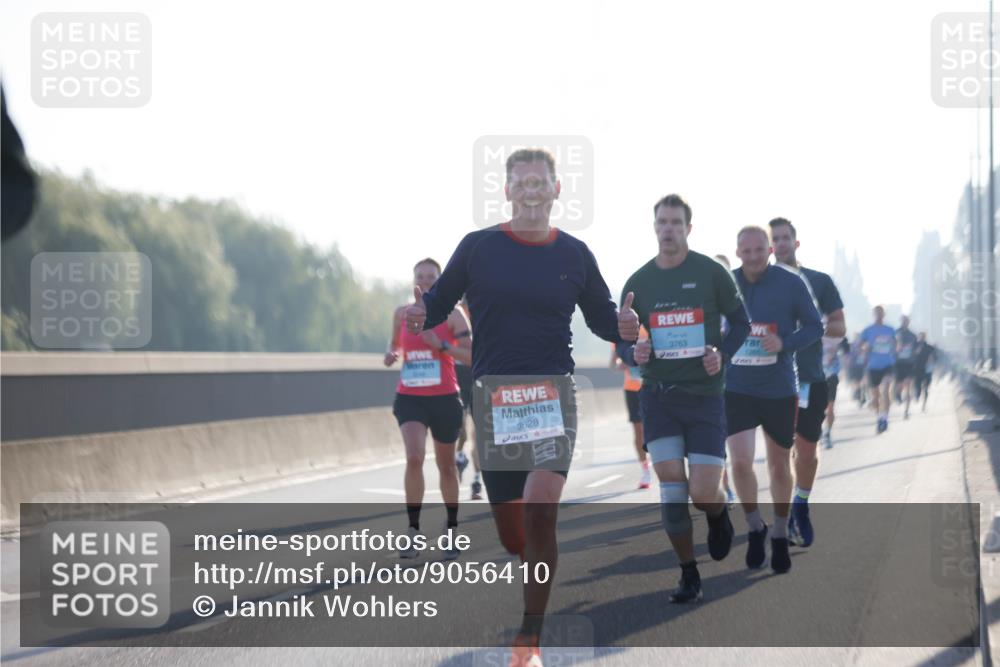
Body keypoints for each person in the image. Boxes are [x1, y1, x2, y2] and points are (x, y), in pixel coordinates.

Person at [405, 148, 623, 665]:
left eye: (539, 181)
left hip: (552, 396)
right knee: (513, 537)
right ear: (507, 191)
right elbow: (439, 301)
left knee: (542, 511)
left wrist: (626, 330)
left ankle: (530, 638)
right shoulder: (479, 248)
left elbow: (602, 316)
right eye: (520, 181)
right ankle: (530, 570)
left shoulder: (574, 253)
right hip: (496, 403)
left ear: (556, 190)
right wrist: (421, 312)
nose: (530, 188)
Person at [618, 194, 751, 602]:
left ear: (688, 229)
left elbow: (742, 324)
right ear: (654, 227)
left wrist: (722, 355)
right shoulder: (638, 282)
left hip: (705, 397)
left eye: (676, 222)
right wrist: (633, 352)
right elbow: (623, 341)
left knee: (702, 492)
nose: (668, 229)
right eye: (662, 222)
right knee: (672, 486)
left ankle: (717, 512)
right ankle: (688, 573)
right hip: (659, 397)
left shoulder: (712, 273)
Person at [725, 225, 822, 573]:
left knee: (780, 465)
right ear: (737, 252)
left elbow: (815, 326)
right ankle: (754, 525)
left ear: (769, 250)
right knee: (739, 463)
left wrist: (785, 344)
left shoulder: (790, 283)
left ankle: (780, 530)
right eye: (745, 251)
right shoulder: (726, 284)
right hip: (735, 386)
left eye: (758, 250)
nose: (752, 257)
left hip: (779, 387)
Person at [385, 258, 472, 560]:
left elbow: (472, 357)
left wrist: (441, 346)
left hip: (445, 397)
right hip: (410, 397)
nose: (425, 282)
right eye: (420, 277)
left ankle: (451, 529)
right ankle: (413, 532)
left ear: (440, 281)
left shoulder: (454, 315)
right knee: (413, 457)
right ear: (413, 280)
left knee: (446, 467)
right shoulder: (402, 313)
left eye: (431, 278)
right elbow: (396, 342)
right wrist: (392, 352)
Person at [769, 218, 846, 549]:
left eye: (786, 238)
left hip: (810, 378)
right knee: (779, 452)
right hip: (770, 381)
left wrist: (809, 324)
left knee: (807, 452)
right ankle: (783, 519)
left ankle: (801, 502)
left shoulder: (820, 281)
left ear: (796, 243)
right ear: (770, 246)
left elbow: (840, 328)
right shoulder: (756, 284)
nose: (781, 244)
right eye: (776, 239)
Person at [609, 327, 651, 489]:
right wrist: (622, 365)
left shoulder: (649, 327)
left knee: (656, 429)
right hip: (632, 388)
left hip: (651, 385)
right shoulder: (621, 332)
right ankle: (645, 470)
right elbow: (612, 364)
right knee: (638, 430)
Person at [713, 254, 737, 508]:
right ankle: (722, 485)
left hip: (737, 379)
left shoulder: (737, 303)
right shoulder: (703, 300)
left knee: (728, 439)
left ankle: (726, 484)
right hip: (710, 380)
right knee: (716, 437)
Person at [454, 296, 483, 500]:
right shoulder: (453, 315)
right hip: (457, 375)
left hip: (479, 376)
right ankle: (459, 457)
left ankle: (477, 479)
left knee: (479, 433)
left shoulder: (484, 313)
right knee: (461, 431)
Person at [860, 306, 896, 434]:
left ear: (884, 314)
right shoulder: (867, 330)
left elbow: (896, 345)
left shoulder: (890, 329)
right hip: (873, 366)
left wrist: (895, 347)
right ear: (874, 314)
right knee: (875, 397)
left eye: (881, 313)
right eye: (877, 313)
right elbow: (860, 345)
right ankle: (879, 416)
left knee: (886, 390)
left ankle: (884, 418)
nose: (879, 315)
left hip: (888, 364)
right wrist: (865, 347)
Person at [821, 337, 851, 449]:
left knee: (830, 407)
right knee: (816, 408)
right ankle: (818, 429)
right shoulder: (811, 328)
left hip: (831, 375)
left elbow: (847, 350)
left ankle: (827, 433)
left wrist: (844, 360)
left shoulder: (836, 334)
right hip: (814, 376)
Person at [894, 315, 919, 419]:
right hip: (898, 363)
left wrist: (915, 353)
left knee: (908, 386)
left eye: (907, 321)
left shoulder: (913, 335)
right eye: (903, 321)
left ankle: (906, 411)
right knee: (900, 385)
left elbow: (916, 350)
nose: (905, 322)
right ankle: (898, 393)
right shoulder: (895, 333)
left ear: (909, 322)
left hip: (909, 363)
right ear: (901, 321)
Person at [912, 332, 938, 412]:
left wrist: (932, 359)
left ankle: (924, 405)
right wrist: (916, 352)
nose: (922, 338)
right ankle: (917, 395)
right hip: (917, 369)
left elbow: (936, 357)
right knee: (917, 386)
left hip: (927, 369)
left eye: (923, 337)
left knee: (926, 388)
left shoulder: (930, 347)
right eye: (920, 336)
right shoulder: (915, 346)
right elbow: (911, 355)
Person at [846, 333, 867, 407]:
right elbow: (848, 357)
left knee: (862, 382)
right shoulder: (852, 346)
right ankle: (859, 395)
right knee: (857, 382)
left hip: (862, 367)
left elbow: (866, 356)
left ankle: (861, 396)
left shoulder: (863, 346)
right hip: (854, 367)